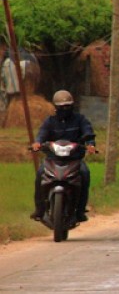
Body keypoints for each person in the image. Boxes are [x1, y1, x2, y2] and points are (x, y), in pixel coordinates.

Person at [30, 90, 97, 222]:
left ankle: (80, 210)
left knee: (85, 173)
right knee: (39, 174)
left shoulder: (80, 120)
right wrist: (37, 143)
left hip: (74, 159)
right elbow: (42, 134)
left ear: (72, 106)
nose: (65, 109)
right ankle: (40, 209)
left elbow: (88, 132)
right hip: (52, 159)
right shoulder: (50, 122)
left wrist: (90, 144)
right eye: (62, 107)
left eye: (68, 106)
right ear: (56, 107)